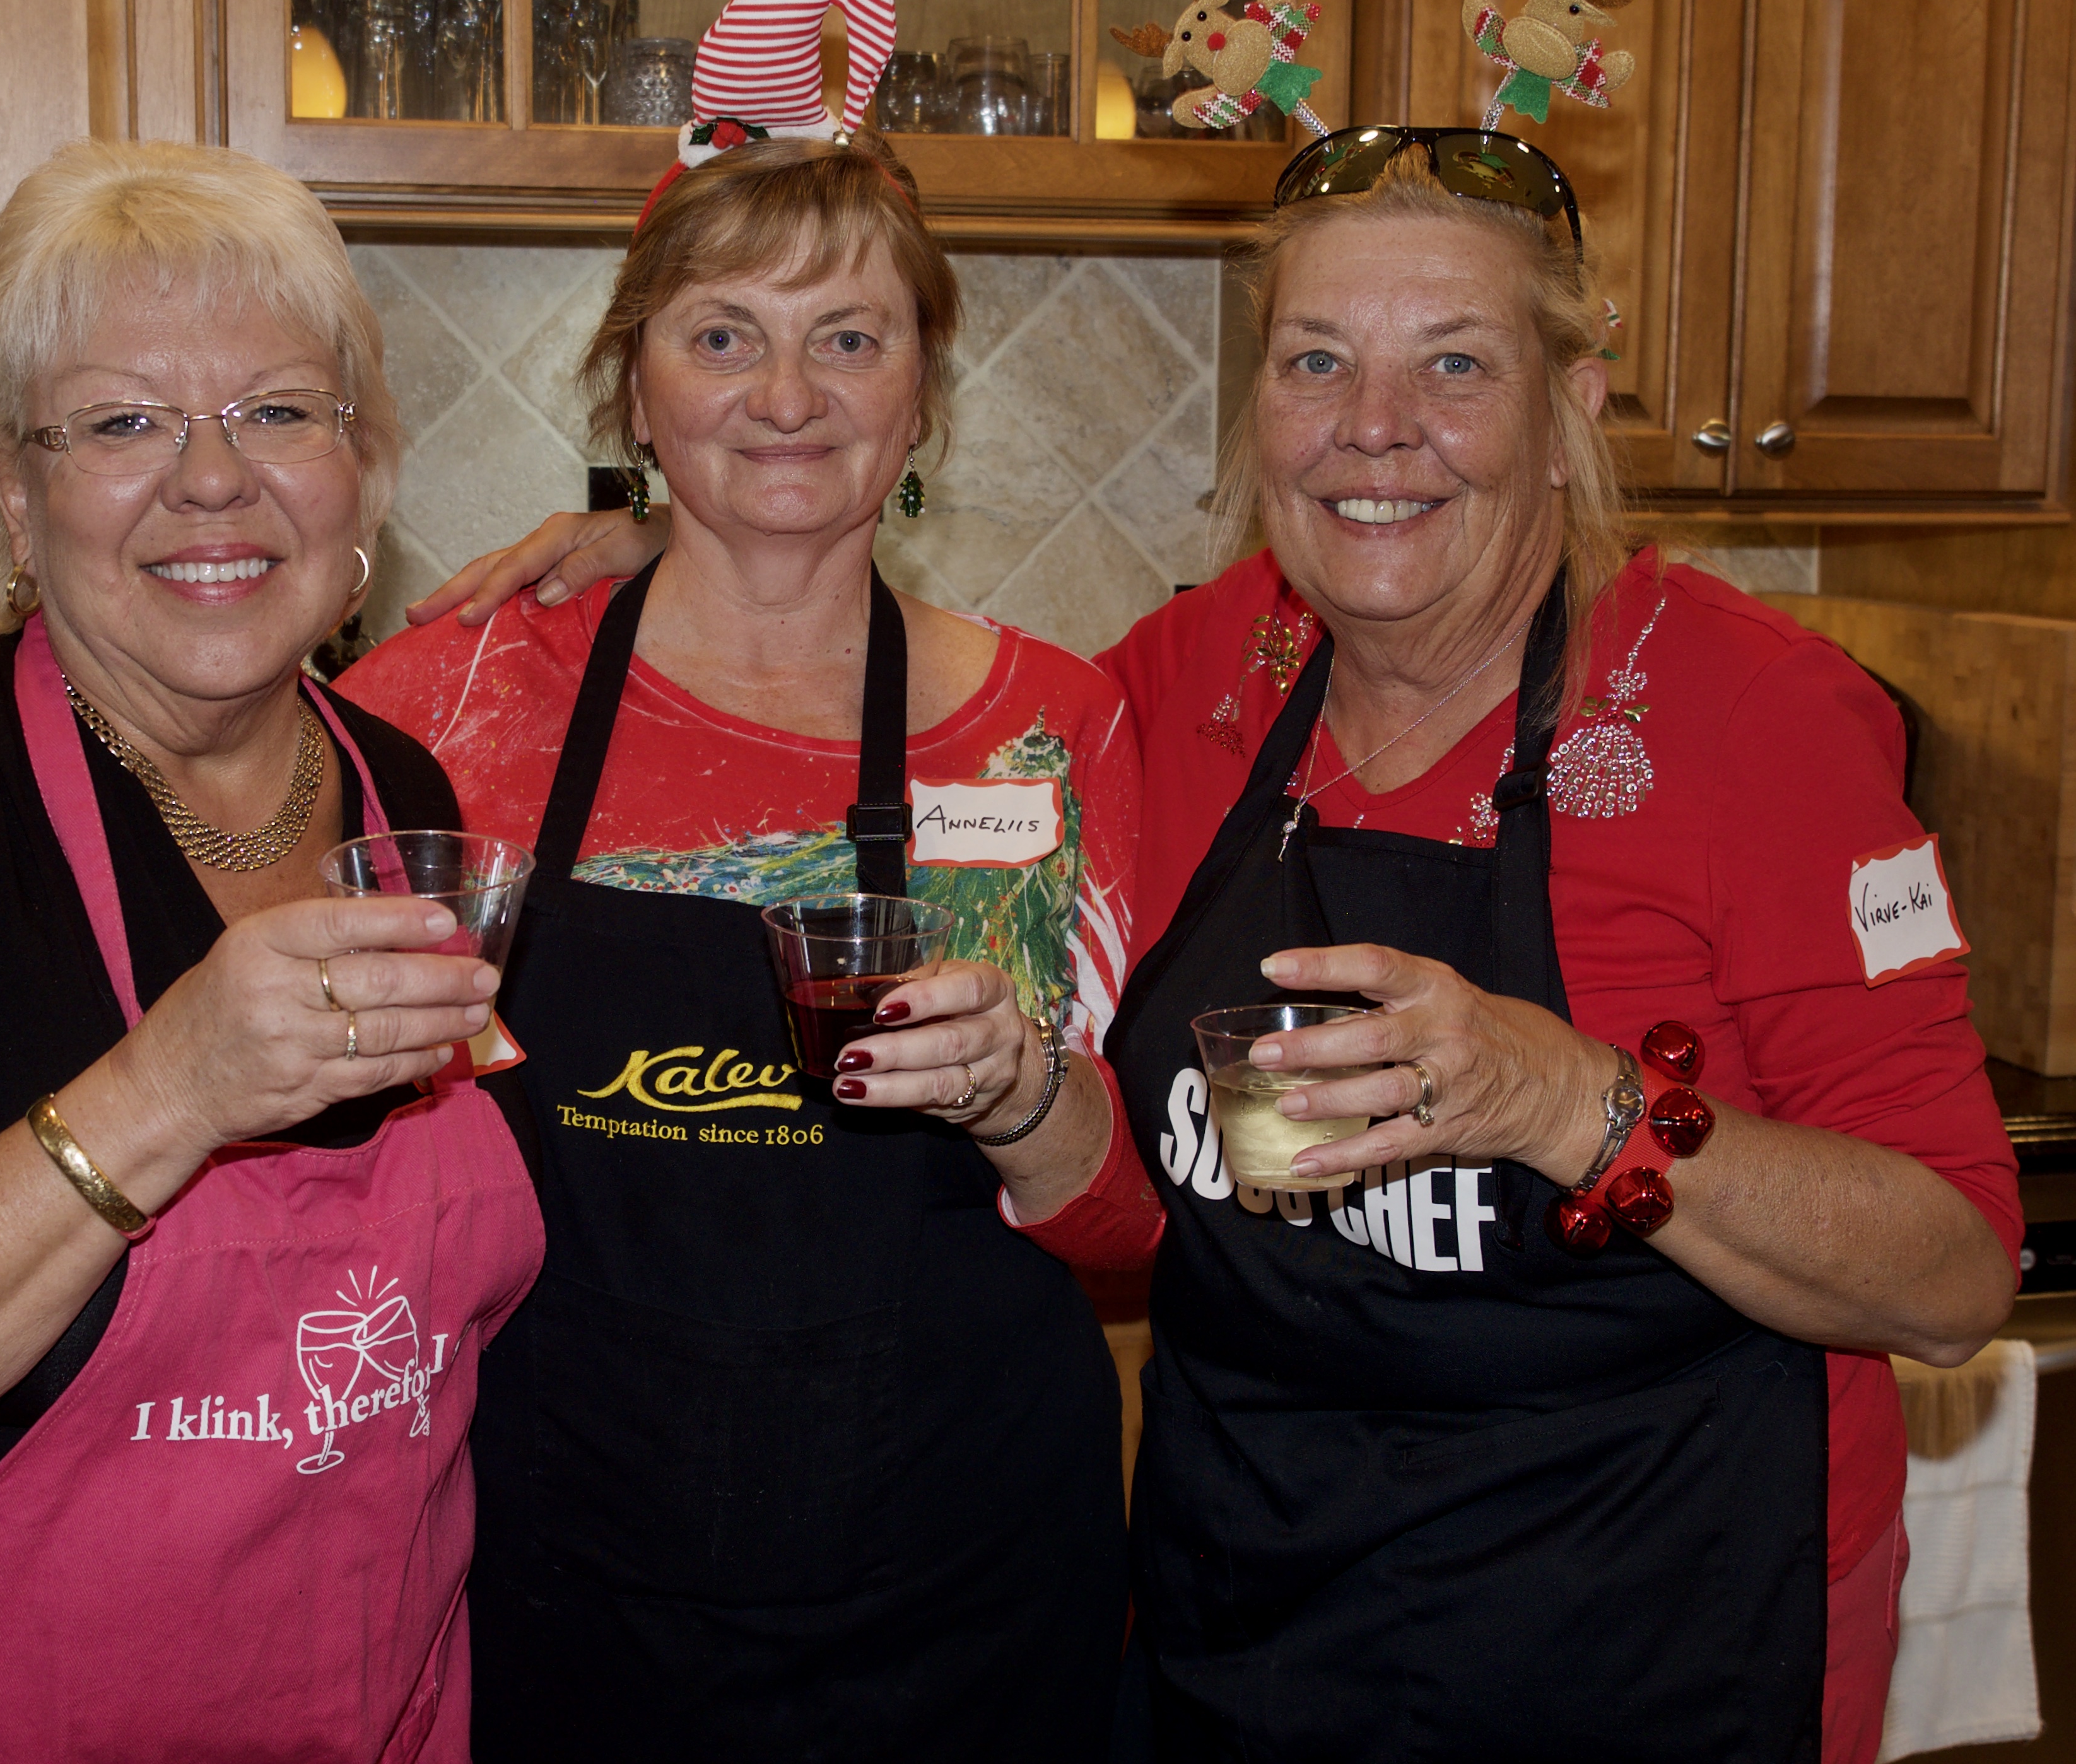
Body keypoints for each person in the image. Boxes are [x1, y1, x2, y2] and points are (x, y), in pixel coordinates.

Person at [287, 129, 2028, 1761]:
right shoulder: (1187, 687)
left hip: (1637, 1634)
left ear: (1569, 410)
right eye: (1316, 362)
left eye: (1453, 365)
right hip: (1244, 1620)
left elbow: (1952, 1275)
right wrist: (691, 532)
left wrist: (1567, 1101)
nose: (1375, 429)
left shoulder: (1754, 715)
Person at [0, 0, 1137, 1763]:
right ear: (632, 387)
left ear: (922, 393)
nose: (786, 394)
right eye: (719, 335)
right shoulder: (451, 701)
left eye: (850, 337)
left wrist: (1022, 1091)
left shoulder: (1058, 723)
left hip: (960, 1592)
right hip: (564, 1587)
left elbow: (1137, 1216)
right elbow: (153, 747)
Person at [0, 139, 540, 1762]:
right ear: (13, 491)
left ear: (364, 469)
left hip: (353, 1710)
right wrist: (166, 1091)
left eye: (280, 411)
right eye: (123, 424)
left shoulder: (401, 796)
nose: (214, 481)